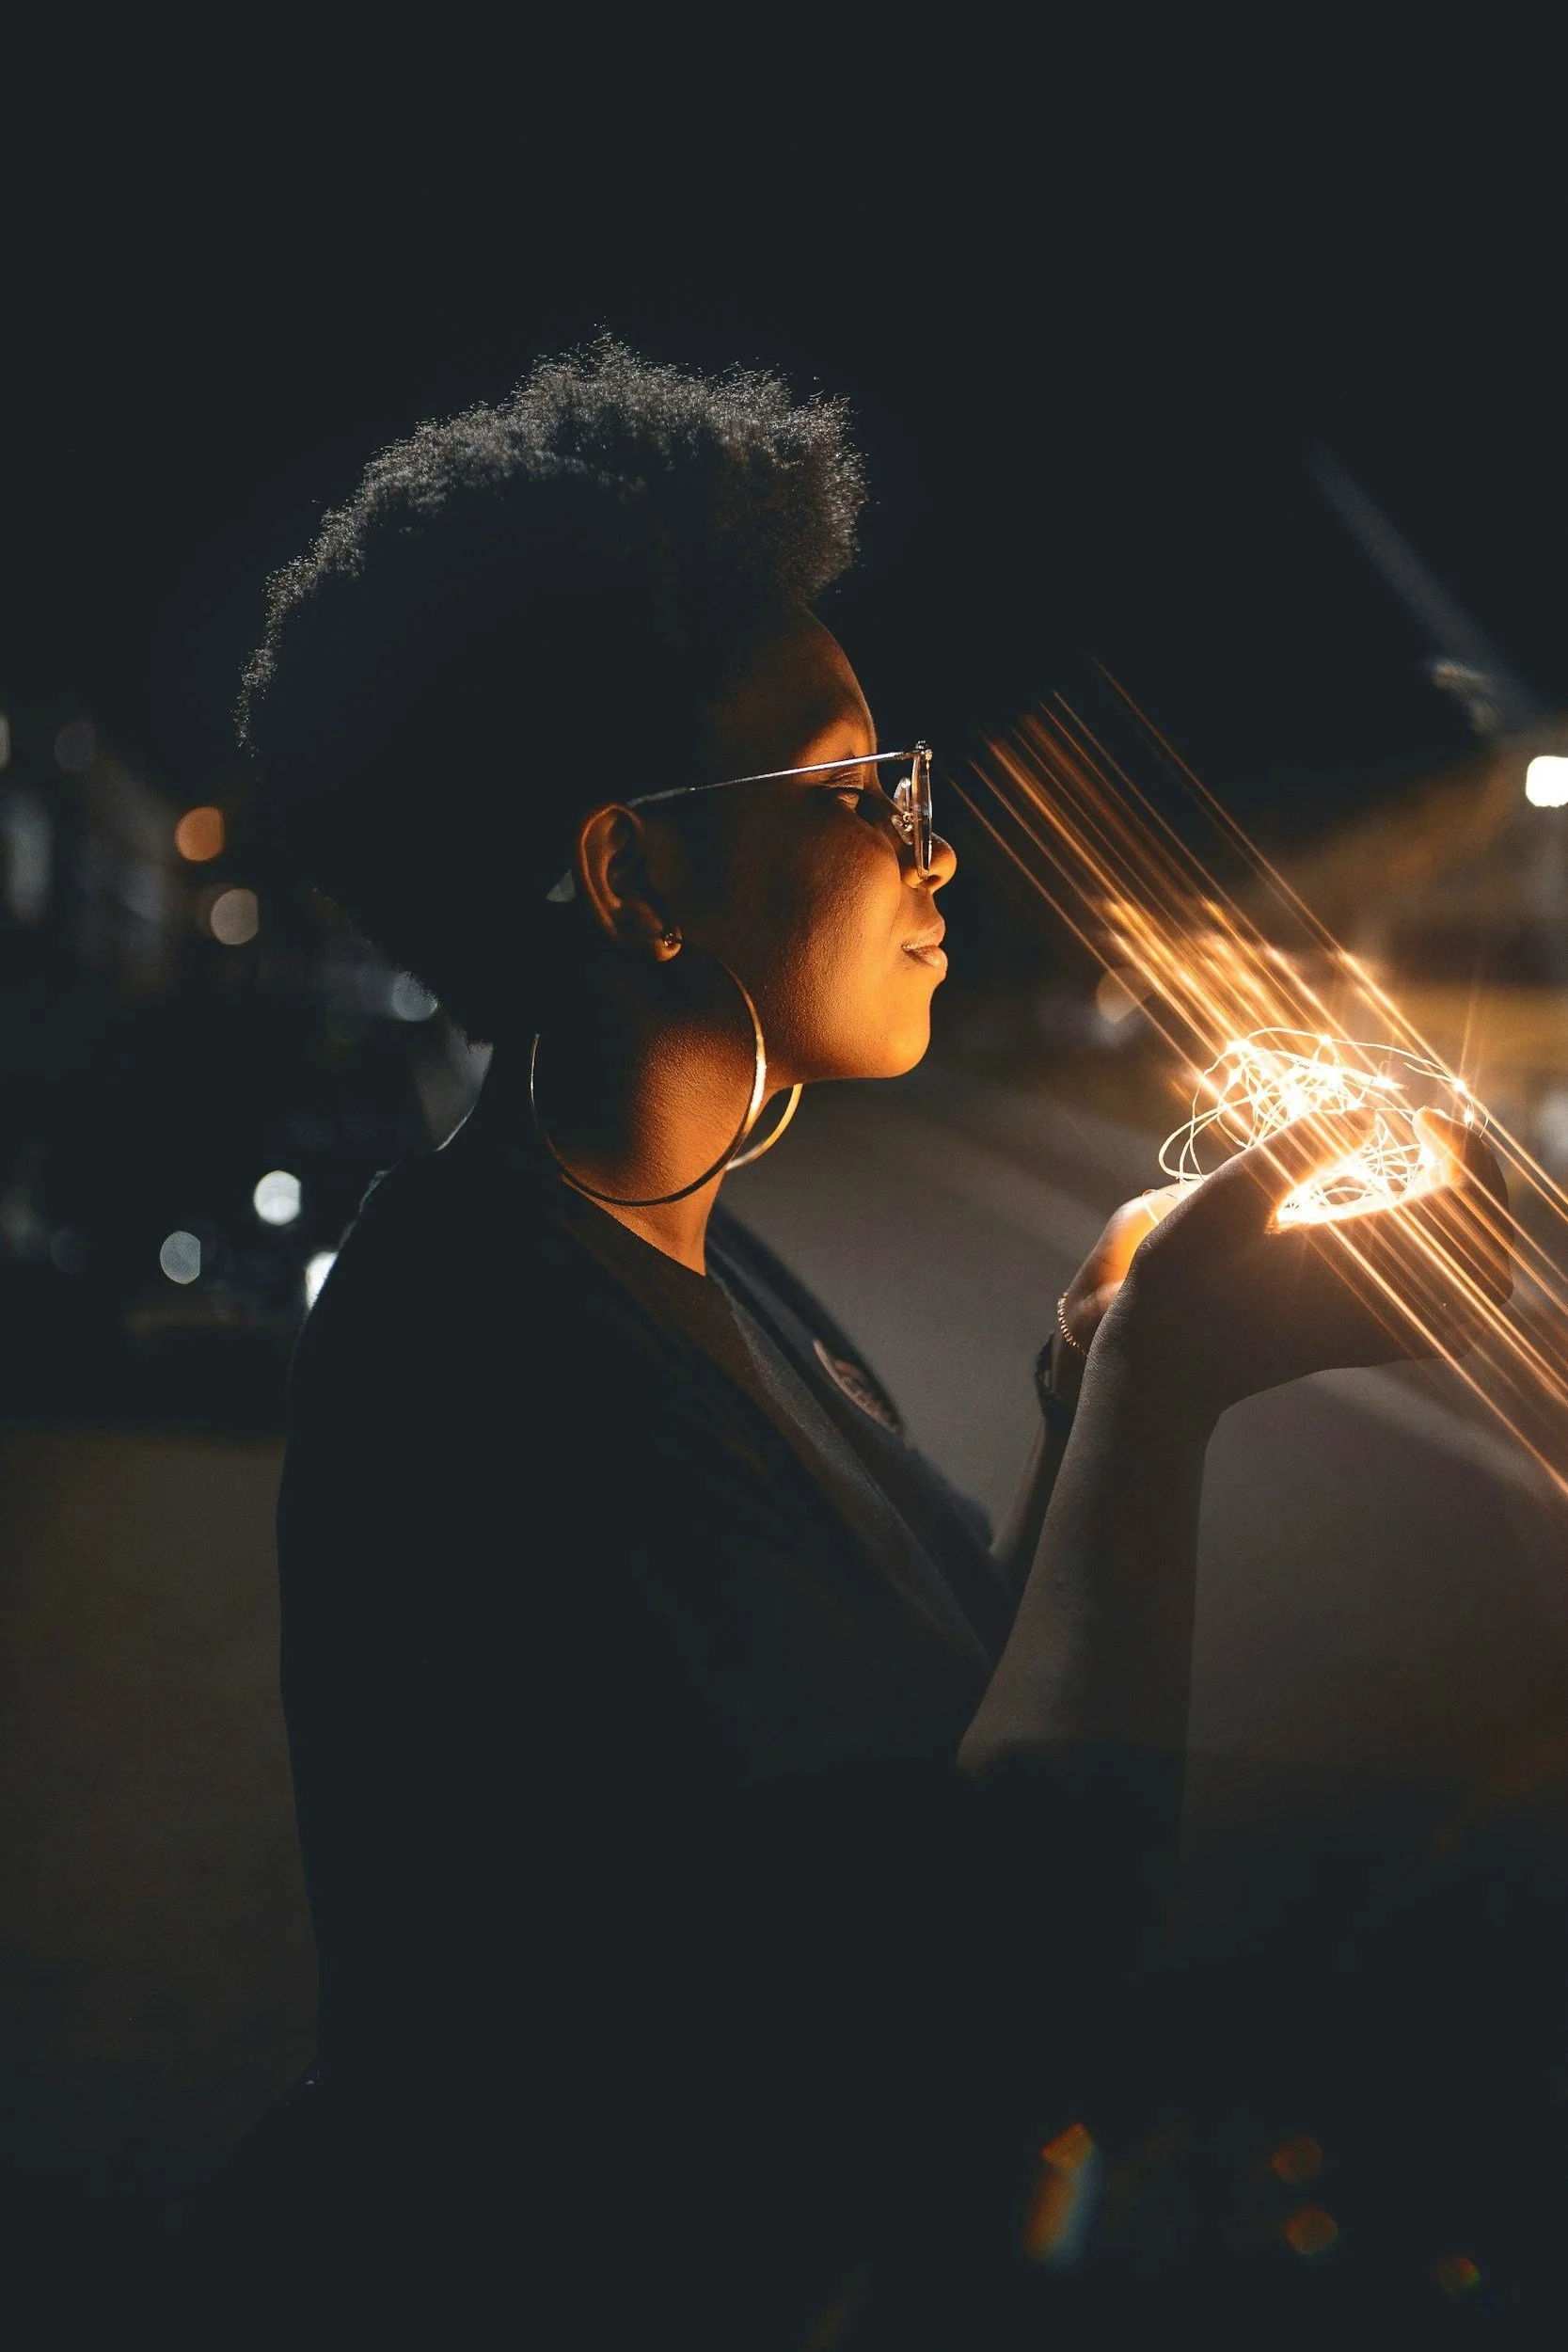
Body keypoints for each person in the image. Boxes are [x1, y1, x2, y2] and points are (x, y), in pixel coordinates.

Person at [230, 342, 1509, 2344]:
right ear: (631, 872)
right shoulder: (475, 1370)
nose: (929, 842)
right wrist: (1161, 1392)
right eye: (849, 787)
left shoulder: (690, 1260)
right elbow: (977, 1982)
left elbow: (923, 1732)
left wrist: (1091, 1385)